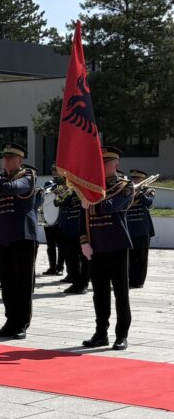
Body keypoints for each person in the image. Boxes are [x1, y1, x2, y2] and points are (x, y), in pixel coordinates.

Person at [0, 142, 37, 339]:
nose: (7, 160)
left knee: (23, 282)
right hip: (3, 236)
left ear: (20, 160)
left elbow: (15, 188)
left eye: (12, 158)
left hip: (23, 235)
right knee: (7, 281)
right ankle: (10, 320)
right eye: (5, 157)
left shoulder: (27, 176)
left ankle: (22, 323)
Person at [81, 147, 134, 351]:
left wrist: (91, 206)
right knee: (99, 293)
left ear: (116, 164)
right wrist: (84, 241)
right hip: (96, 247)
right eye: (99, 164)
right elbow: (82, 218)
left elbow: (111, 205)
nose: (102, 167)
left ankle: (122, 335)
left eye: (106, 163)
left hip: (117, 245)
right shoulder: (89, 188)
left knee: (121, 293)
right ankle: (100, 333)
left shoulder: (125, 186)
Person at [126, 169, 155, 289]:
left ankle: (138, 281)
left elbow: (150, 204)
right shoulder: (126, 191)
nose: (134, 181)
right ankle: (129, 279)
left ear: (143, 180)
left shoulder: (148, 191)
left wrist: (139, 194)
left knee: (141, 257)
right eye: (133, 178)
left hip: (142, 229)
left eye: (137, 179)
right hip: (128, 228)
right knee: (129, 257)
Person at [57, 186, 89, 294]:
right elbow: (57, 203)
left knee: (85, 259)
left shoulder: (83, 191)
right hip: (69, 228)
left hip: (81, 228)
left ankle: (84, 284)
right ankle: (75, 283)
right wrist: (65, 194)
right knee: (71, 259)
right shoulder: (68, 192)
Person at [41, 165, 64, 276]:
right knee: (50, 246)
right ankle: (52, 267)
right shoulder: (49, 183)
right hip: (49, 218)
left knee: (61, 246)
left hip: (59, 220)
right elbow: (48, 190)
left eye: (56, 170)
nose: (54, 172)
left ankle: (60, 267)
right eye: (53, 170)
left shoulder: (65, 184)